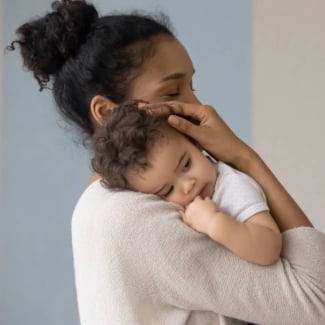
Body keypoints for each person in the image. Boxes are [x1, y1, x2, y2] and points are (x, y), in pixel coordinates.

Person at [9, 1, 325, 324]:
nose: (200, 106)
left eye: (192, 86)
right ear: (107, 112)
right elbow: (317, 302)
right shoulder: (136, 219)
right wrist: (245, 158)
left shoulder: (106, 207)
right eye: (173, 90)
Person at [91, 102, 282, 266]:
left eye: (186, 165)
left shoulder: (232, 186)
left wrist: (214, 223)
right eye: (168, 190)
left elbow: (269, 247)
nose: (188, 185)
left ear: (195, 143)